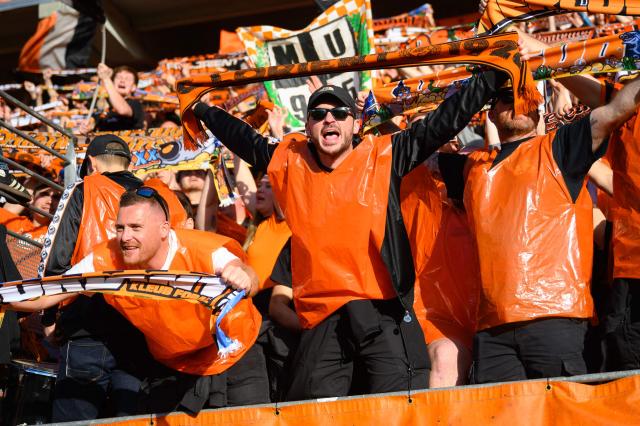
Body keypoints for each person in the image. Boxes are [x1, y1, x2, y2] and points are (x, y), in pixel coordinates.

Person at [193, 68, 507, 399]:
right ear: (309, 127)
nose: (329, 119)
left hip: (380, 308)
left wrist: (489, 78)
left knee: (404, 406)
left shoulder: (383, 154)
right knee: (315, 410)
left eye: (340, 112)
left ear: (356, 124)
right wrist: (201, 109)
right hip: (323, 314)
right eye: (319, 114)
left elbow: (442, 122)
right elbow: (245, 140)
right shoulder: (289, 160)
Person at [439, 73, 640, 383]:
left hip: (558, 319)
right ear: (489, 112)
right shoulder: (472, 166)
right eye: (507, 97)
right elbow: (414, 149)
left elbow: (617, 109)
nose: (518, 103)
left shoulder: (561, 148)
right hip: (493, 330)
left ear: (539, 106)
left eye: (526, 96)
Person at [61, 188, 268, 414]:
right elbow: (50, 290)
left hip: (234, 349)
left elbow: (248, 275)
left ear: (164, 229)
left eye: (136, 227)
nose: (125, 237)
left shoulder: (201, 247)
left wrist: (242, 276)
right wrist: (17, 299)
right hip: (176, 362)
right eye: (120, 228)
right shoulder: (108, 256)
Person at [39, 134, 185, 421]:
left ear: (91, 163)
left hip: (86, 328)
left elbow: (55, 259)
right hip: (141, 331)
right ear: (129, 163)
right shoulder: (157, 198)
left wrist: (48, 318)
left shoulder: (82, 189)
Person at [82, 63, 144, 133]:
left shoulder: (135, 104)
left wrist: (106, 78)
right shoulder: (104, 105)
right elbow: (92, 123)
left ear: (133, 87)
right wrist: (87, 127)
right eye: (119, 77)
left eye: (127, 79)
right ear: (113, 82)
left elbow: (122, 110)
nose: (122, 81)